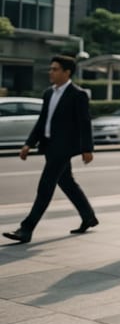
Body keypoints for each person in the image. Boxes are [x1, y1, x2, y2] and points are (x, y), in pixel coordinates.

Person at [3, 55, 98, 244]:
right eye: (51, 69)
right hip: (49, 145)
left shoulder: (77, 94)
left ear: (66, 72)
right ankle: (89, 217)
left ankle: (26, 229)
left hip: (63, 148)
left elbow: (84, 123)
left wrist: (87, 148)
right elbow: (42, 121)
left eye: (55, 69)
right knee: (67, 183)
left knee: (45, 186)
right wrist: (28, 143)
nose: (51, 72)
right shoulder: (48, 93)